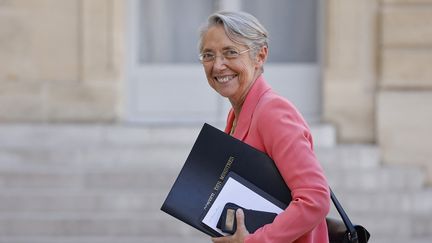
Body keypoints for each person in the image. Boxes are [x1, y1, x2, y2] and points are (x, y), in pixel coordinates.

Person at [198, 11, 331, 243]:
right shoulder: (236, 114)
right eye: (208, 55)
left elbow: (315, 198)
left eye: (230, 52)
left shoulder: (273, 112)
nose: (218, 66)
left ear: (260, 56)